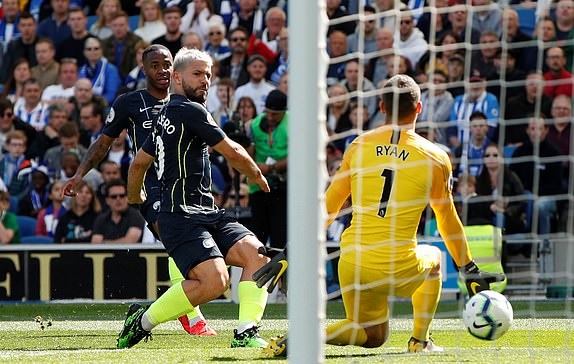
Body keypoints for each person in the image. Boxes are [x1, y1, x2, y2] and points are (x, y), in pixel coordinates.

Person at [263, 74, 505, 357]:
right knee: (435, 259)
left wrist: (293, 249)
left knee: (373, 335)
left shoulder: (358, 146)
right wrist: (468, 268)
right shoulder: (435, 157)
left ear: (381, 107)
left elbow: (329, 207)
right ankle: (420, 341)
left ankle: (307, 337)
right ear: (419, 108)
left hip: (353, 260)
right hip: (397, 262)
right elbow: (446, 218)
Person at [118, 47, 271, 349]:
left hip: (206, 210)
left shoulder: (164, 115)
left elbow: (139, 162)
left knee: (258, 256)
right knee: (215, 282)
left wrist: (136, 196)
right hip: (180, 215)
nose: (206, 81)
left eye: (209, 75)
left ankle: (246, 332)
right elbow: (233, 151)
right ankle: (143, 319)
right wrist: (256, 175)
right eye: (198, 74)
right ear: (177, 77)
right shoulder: (190, 110)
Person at [63, 45, 216, 337]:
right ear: (143, 69)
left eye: (167, 64)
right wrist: (80, 174)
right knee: (173, 242)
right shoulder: (129, 103)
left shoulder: (188, 101)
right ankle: (191, 316)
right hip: (151, 187)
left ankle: (185, 307)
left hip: (186, 187)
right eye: (155, 65)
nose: (162, 71)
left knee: (183, 246)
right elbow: (103, 143)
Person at [248, 89, 288, 250]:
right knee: (257, 239)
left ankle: (282, 274)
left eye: (275, 115)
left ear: (284, 112)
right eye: (268, 113)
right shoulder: (255, 124)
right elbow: (249, 153)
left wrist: (271, 168)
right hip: (259, 187)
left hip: (285, 186)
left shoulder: (294, 123)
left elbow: (299, 155)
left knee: (280, 237)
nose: (270, 118)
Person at [91, 179, 145, 243]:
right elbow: (95, 243)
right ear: (107, 200)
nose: (118, 199)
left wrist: (104, 243)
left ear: (127, 198)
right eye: (114, 197)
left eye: (122, 196)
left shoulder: (136, 216)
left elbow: (129, 242)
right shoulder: (101, 219)